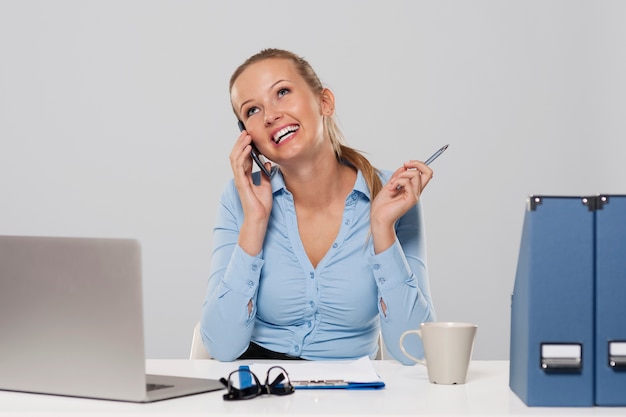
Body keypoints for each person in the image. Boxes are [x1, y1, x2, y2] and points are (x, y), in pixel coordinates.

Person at [201, 48, 436, 365]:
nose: (270, 115)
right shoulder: (240, 197)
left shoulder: (392, 195)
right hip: (262, 392)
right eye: (252, 110)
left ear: (324, 102)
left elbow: (416, 352)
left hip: (351, 396)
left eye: (282, 92)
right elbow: (222, 346)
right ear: (247, 137)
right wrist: (255, 222)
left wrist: (382, 228)